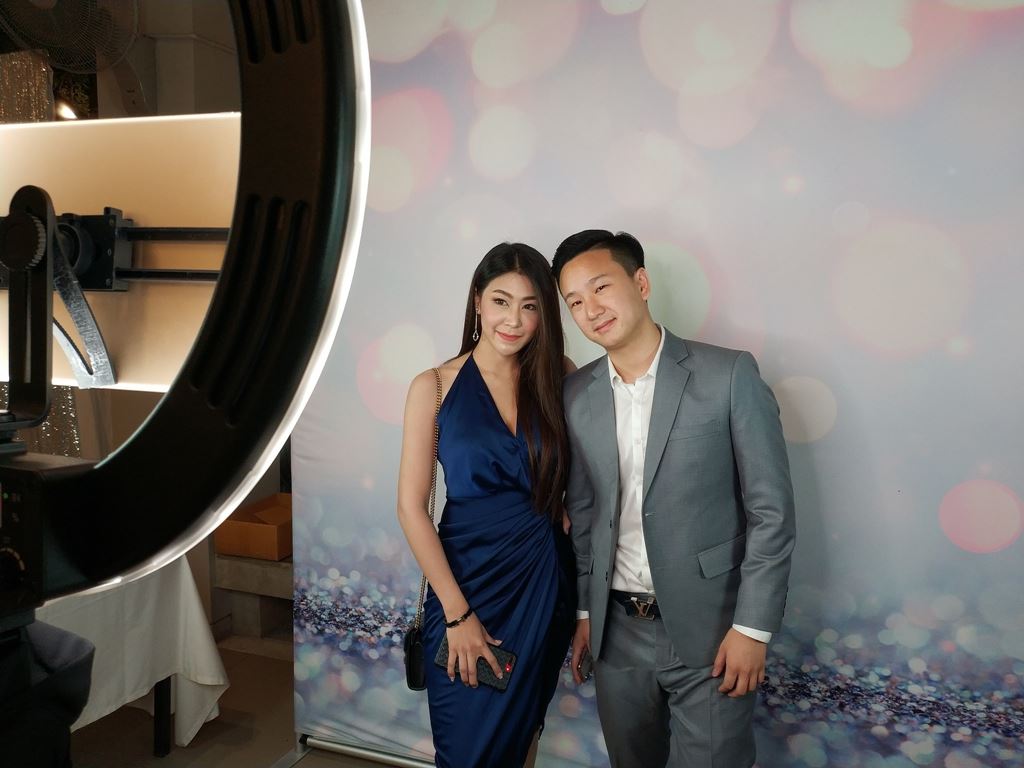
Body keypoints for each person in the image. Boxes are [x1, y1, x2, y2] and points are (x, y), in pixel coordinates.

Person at [553, 230, 796, 767]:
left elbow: (771, 512)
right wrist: (586, 612)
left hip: (713, 627)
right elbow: (586, 513)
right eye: (575, 302)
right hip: (616, 631)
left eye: (601, 287)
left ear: (640, 283)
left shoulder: (728, 374)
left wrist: (752, 628)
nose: (591, 310)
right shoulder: (575, 394)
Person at [397, 243, 575, 768]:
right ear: (477, 301)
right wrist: (457, 616)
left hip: (543, 582)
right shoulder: (434, 386)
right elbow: (411, 508)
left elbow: (589, 471)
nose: (513, 320)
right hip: (465, 584)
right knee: (466, 752)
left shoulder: (560, 375)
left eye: (529, 306)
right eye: (501, 301)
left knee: (522, 736)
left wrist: (568, 502)